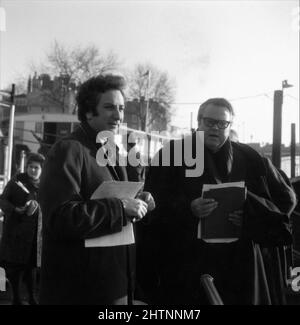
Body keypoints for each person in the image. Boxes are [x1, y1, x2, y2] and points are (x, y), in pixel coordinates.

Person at [138, 97, 297, 304]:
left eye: (223, 124)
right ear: (199, 122)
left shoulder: (250, 157)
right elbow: (150, 208)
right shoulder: (171, 154)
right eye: (210, 122)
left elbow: (286, 200)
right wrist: (188, 209)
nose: (216, 128)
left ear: (230, 126)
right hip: (186, 263)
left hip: (239, 265)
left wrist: (250, 218)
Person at [38, 74, 155, 305]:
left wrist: (138, 202)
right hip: (81, 289)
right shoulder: (68, 149)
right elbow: (60, 217)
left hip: (113, 283)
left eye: (121, 108)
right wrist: (122, 207)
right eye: (110, 107)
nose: (119, 116)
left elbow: (113, 208)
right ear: (89, 111)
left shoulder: (112, 151)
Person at [0, 152, 44, 305]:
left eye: (36, 168)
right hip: (16, 232)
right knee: (14, 268)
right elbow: (3, 200)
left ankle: (32, 298)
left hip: (34, 235)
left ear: (42, 169)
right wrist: (14, 209)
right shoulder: (17, 181)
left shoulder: (45, 185)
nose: (33, 170)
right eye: (30, 167)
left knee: (31, 268)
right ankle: (16, 299)